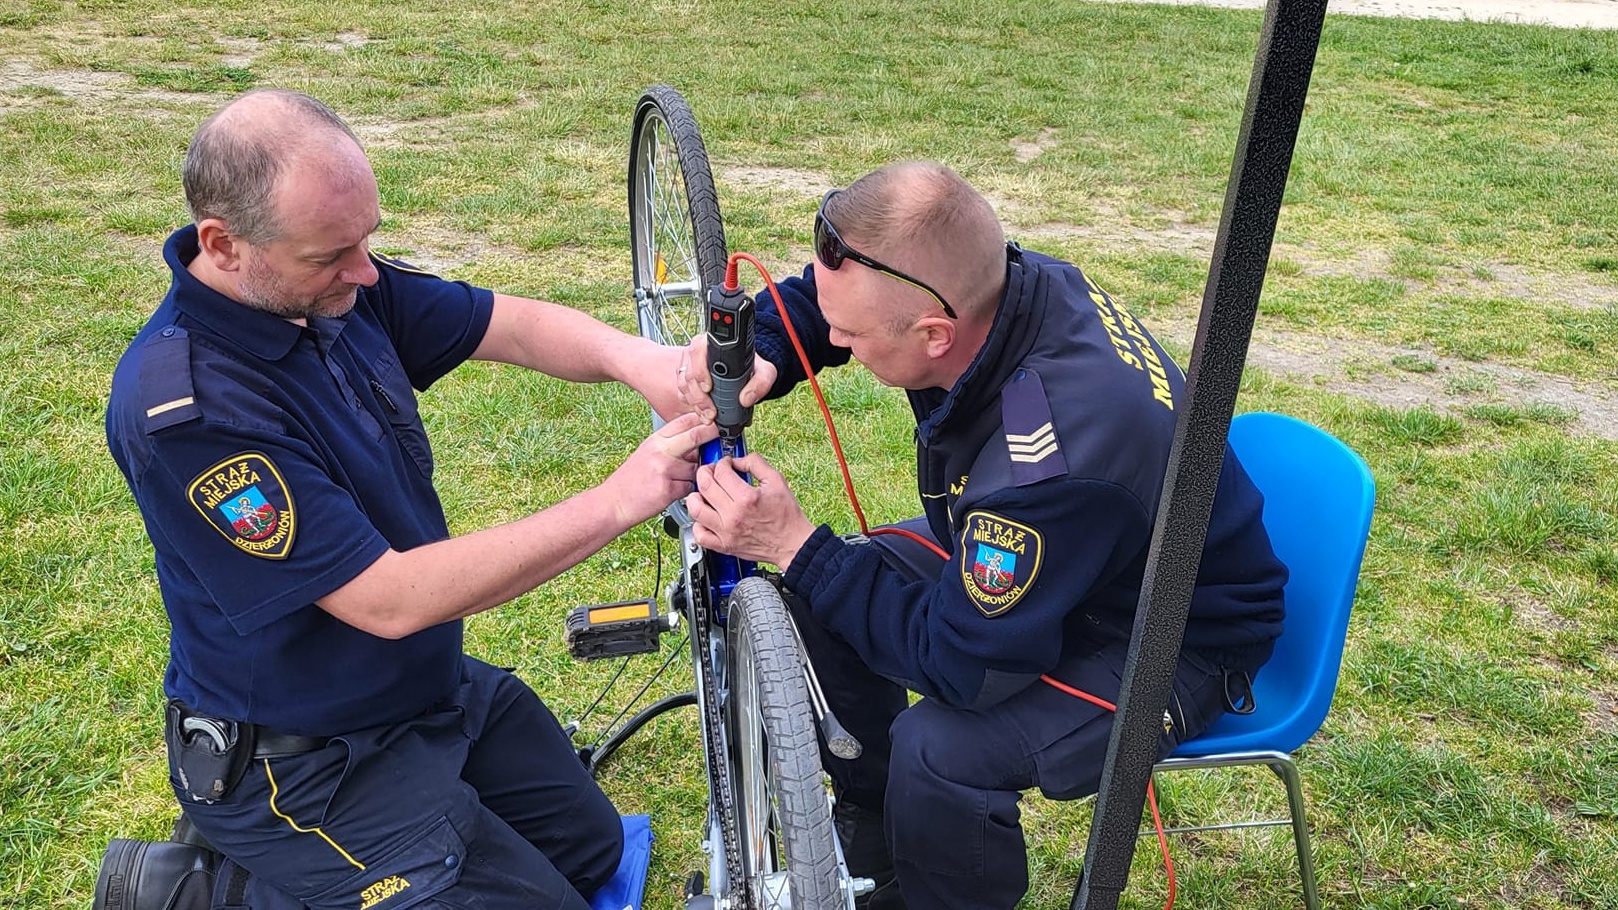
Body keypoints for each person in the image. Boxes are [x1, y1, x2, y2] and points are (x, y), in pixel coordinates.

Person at [102, 88, 717, 910]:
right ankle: (213, 891)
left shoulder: (330, 285)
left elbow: (514, 325)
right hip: (306, 760)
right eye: (331, 255)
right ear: (225, 244)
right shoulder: (188, 410)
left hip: (424, 694)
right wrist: (619, 499)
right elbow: (389, 600)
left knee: (592, 852)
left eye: (368, 241)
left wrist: (646, 362)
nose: (363, 271)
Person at [681, 161, 1288, 910]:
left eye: (849, 335)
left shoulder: (1050, 466)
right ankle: (879, 855)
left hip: (1168, 634)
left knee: (938, 754)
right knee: (822, 598)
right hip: (1089, 564)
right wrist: (771, 348)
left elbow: (967, 666)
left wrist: (795, 543)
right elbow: (841, 296)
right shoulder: (998, 284)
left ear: (936, 336)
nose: (834, 340)